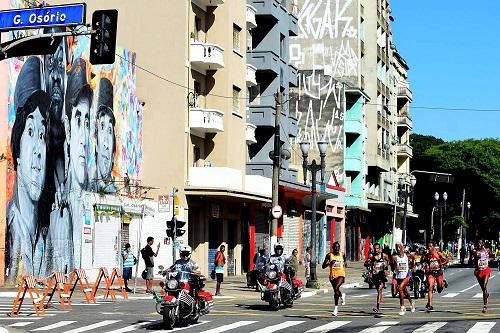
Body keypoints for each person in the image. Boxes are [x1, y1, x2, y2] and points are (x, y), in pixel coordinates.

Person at [7, 62, 52, 282]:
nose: (38, 151)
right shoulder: (10, 229)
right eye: (31, 131)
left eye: (42, 136)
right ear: (16, 150)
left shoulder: (44, 232)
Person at [94, 77, 117, 193]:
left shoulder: (116, 191)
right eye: (102, 127)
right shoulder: (88, 185)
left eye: (109, 130)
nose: (106, 144)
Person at [422, 240, 448, 311]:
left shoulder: (438, 253)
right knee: (430, 287)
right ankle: (430, 304)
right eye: (428, 246)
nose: (429, 248)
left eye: (430, 246)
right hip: (431, 273)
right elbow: (423, 261)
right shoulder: (427, 255)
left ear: (433, 246)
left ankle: (443, 283)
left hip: (438, 272)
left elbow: (446, 259)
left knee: (439, 289)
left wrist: (441, 264)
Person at [322, 242, 346, 316]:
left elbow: (345, 261)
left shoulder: (342, 254)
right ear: (332, 248)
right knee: (336, 291)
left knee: (336, 288)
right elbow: (323, 266)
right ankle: (342, 296)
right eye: (335, 247)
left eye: (338, 247)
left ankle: (336, 309)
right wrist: (330, 263)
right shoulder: (329, 255)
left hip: (341, 274)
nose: (336, 248)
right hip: (332, 275)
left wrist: (344, 264)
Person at [391, 242, 415, 316]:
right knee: (405, 292)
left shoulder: (407, 255)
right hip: (399, 277)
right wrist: (395, 267)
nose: (398, 249)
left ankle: (402, 307)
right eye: (397, 247)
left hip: (406, 276)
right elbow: (392, 267)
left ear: (402, 247)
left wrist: (413, 266)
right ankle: (411, 303)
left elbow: (413, 258)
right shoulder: (395, 257)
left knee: (400, 288)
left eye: (399, 247)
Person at [365, 243, 389, 312]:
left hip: (381, 275)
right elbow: (365, 264)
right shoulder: (371, 256)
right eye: (375, 248)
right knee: (378, 290)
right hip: (375, 275)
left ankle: (377, 306)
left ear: (380, 249)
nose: (376, 250)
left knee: (379, 290)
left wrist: (386, 267)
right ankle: (378, 305)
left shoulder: (383, 255)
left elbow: (388, 260)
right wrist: (372, 264)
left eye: (377, 248)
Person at [472, 240, 492, 313]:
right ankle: (486, 294)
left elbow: (491, 254)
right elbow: (475, 255)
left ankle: (485, 306)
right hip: (479, 271)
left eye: (480, 243)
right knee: (483, 289)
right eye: (478, 243)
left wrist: (492, 256)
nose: (479, 244)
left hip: (486, 270)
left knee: (484, 286)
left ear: (483, 244)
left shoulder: (487, 250)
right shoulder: (475, 251)